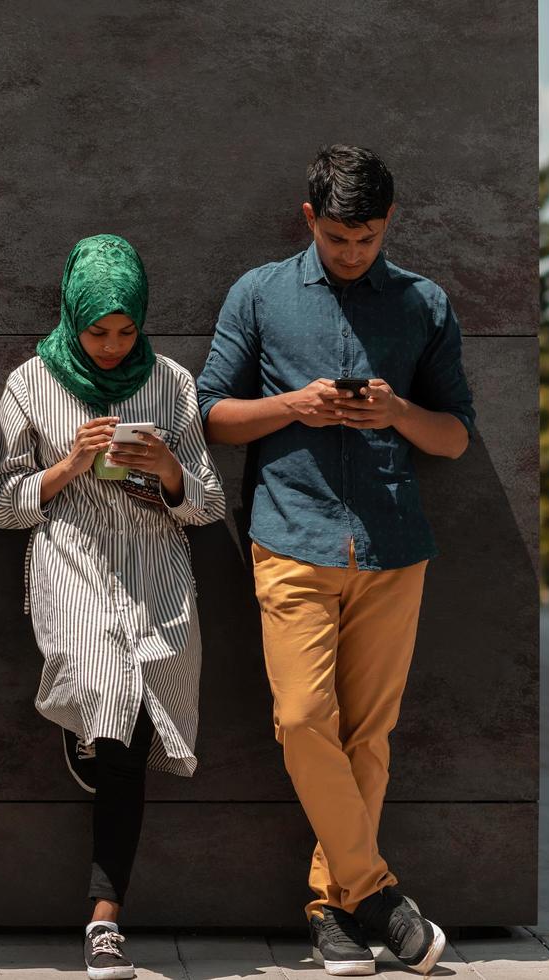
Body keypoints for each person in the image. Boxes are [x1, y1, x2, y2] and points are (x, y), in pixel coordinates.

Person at [197, 145, 475, 977]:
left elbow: (456, 436)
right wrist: (295, 407)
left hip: (394, 546)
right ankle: (381, 895)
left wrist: (396, 412)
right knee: (302, 721)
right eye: (340, 238)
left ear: (389, 223)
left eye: (369, 237)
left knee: (370, 737)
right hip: (290, 539)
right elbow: (210, 413)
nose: (354, 253)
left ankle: (334, 910)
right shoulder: (259, 293)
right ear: (309, 218)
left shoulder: (424, 303)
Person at [0, 234, 224, 980]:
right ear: (71, 316)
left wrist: (169, 470)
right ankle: (104, 914)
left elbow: (210, 503)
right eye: (98, 332)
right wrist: (70, 465)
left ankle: (104, 921)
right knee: (110, 701)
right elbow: (3, 504)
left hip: (157, 574)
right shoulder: (29, 381)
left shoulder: (173, 384)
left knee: (135, 730)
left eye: (126, 330)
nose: (114, 346)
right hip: (74, 565)